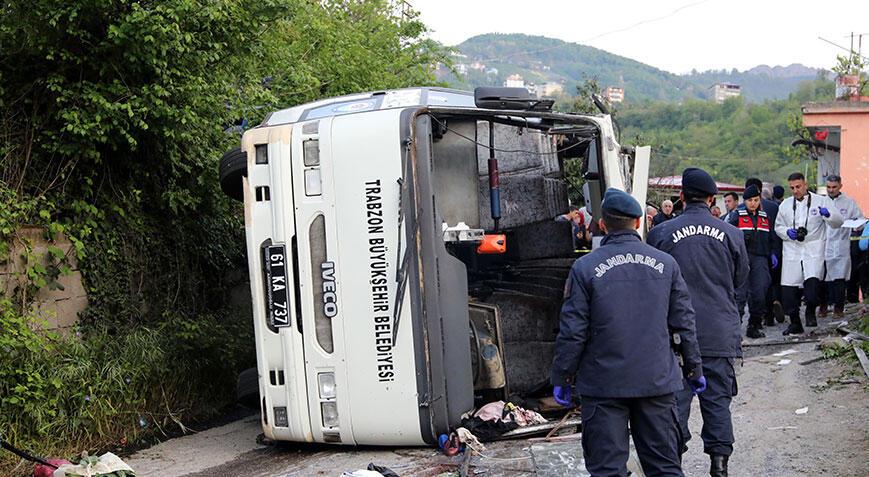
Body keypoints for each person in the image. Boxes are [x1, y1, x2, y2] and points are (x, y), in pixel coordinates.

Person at [551, 187, 703, 477]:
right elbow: (685, 322)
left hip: (603, 384)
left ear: (602, 225)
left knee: (607, 469)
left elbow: (573, 332)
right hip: (656, 381)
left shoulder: (585, 268)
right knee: (664, 467)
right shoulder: (666, 265)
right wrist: (694, 369)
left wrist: (562, 377)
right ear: (638, 222)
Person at [647, 168, 749, 477]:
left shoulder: (661, 234)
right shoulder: (732, 233)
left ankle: (672, 465)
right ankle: (719, 466)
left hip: (674, 335)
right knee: (717, 402)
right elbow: (741, 279)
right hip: (718, 332)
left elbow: (653, 283)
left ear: (680, 197)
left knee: (674, 405)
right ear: (711, 198)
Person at [774, 172, 843, 334]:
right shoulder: (785, 205)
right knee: (789, 292)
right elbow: (778, 226)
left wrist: (828, 214)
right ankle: (795, 323)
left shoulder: (821, 201)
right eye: (792, 188)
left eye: (798, 187)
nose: (795, 190)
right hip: (792, 249)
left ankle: (811, 311)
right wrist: (787, 232)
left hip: (813, 249)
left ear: (805, 184)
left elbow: (838, 221)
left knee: (812, 292)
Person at [727, 185, 773, 338]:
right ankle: (734, 331)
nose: (753, 203)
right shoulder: (736, 216)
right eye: (750, 200)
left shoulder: (764, 217)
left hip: (760, 259)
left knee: (760, 293)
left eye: (756, 200)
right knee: (739, 295)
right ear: (744, 201)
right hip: (742, 258)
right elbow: (728, 238)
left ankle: (754, 325)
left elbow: (771, 238)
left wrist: (772, 254)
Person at [743, 178, 782, 327]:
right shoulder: (772, 207)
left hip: (757, 256)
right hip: (756, 255)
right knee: (765, 286)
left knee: (758, 288)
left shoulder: (758, 214)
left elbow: (772, 234)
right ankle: (768, 315)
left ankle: (758, 319)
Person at [821, 175, 862, 317]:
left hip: (842, 243)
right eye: (828, 187)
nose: (831, 190)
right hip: (824, 244)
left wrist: (856, 225)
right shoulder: (821, 201)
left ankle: (838, 308)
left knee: (840, 277)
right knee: (823, 278)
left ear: (840, 186)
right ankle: (823, 306)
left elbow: (859, 218)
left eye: (834, 187)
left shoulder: (849, 202)